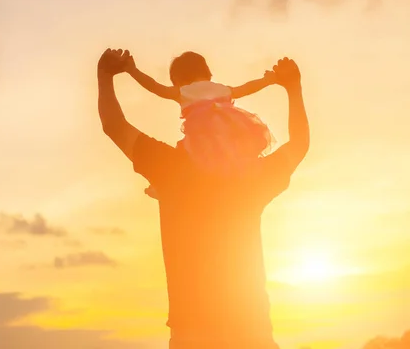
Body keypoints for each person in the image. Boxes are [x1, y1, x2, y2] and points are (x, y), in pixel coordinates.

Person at [97, 48, 309, 349]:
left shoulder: (170, 170)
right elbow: (299, 144)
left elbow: (114, 125)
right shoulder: (250, 178)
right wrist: (292, 87)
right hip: (253, 331)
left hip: (193, 335)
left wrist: (105, 77)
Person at [123, 51, 276, 198]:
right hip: (228, 134)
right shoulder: (221, 88)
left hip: (202, 138)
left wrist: (132, 70)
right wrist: (267, 80)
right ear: (207, 72)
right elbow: (247, 88)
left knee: (182, 162)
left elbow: (154, 87)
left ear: (177, 79)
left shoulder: (184, 91)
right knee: (236, 159)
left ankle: (164, 190)